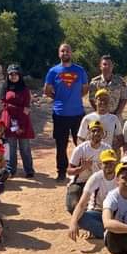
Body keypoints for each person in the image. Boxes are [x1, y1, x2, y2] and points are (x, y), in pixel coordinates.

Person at [44, 43, 89, 182]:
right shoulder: (53, 71)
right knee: (61, 145)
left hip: (78, 114)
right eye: (62, 51)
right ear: (59, 53)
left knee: (81, 144)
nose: (65, 53)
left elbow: (85, 89)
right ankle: (62, 172)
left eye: (67, 51)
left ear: (71, 53)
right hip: (60, 114)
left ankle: (82, 171)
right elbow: (47, 90)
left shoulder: (80, 70)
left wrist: (74, 98)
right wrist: (58, 98)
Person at [68, 149, 118, 241]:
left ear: (116, 163)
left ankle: (106, 232)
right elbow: (82, 204)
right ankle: (112, 232)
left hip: (115, 213)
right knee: (80, 218)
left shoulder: (120, 177)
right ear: (100, 164)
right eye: (106, 163)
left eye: (111, 162)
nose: (109, 165)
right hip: (98, 211)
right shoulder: (95, 178)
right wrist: (73, 222)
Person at [66, 120, 111, 213]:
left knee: (105, 206)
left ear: (103, 134)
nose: (96, 133)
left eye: (99, 131)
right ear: (89, 133)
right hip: (81, 181)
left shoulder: (107, 149)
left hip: (99, 182)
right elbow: (69, 171)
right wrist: (82, 168)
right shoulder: (80, 149)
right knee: (72, 207)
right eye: (93, 131)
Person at [0, 64, 35, 178]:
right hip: (9, 120)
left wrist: (21, 124)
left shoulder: (25, 90)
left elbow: (26, 107)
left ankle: (29, 170)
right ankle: (11, 170)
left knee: (24, 147)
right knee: (11, 147)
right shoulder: (4, 88)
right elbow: (3, 104)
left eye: (16, 74)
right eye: (11, 74)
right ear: (8, 75)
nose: (13, 76)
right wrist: (19, 108)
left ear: (20, 75)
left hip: (22, 120)